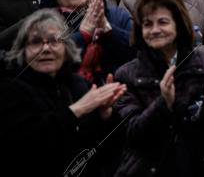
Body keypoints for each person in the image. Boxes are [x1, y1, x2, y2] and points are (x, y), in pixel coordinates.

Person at [113, 0, 204, 177]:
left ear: (179, 24)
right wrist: (162, 104)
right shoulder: (126, 74)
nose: (155, 30)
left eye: (163, 22)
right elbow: (130, 134)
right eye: (147, 24)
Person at [0, 10, 126, 177]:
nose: (46, 49)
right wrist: (77, 110)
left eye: (54, 41)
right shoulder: (9, 89)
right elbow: (25, 144)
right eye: (36, 42)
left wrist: (106, 115)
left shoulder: (79, 85)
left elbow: (109, 152)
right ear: (23, 51)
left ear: (66, 49)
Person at [38, 0, 134, 83]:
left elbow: (140, 53)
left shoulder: (118, 16)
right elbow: (43, 67)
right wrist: (82, 36)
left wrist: (109, 31)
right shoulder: (42, 26)